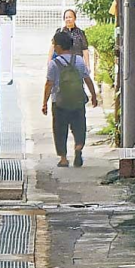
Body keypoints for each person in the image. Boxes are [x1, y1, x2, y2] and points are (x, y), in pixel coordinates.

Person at [42, 29, 98, 168]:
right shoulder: (78, 60)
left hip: (59, 102)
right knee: (79, 126)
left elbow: (49, 84)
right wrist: (94, 96)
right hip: (78, 100)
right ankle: (78, 147)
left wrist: (44, 102)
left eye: (54, 44)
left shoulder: (54, 64)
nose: (54, 47)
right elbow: (87, 79)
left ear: (59, 47)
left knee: (60, 130)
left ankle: (63, 158)